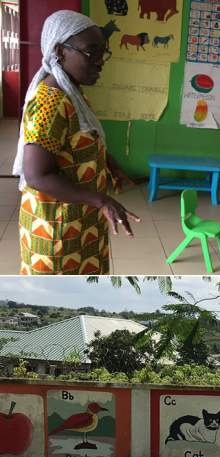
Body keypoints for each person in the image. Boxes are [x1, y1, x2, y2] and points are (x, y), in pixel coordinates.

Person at [12, 10, 140, 275]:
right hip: (56, 231)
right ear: (59, 50)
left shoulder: (72, 94)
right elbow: (37, 175)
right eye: (90, 52)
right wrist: (101, 200)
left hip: (81, 221)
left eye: (102, 52)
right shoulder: (51, 101)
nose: (100, 61)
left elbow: (84, 137)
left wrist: (109, 163)